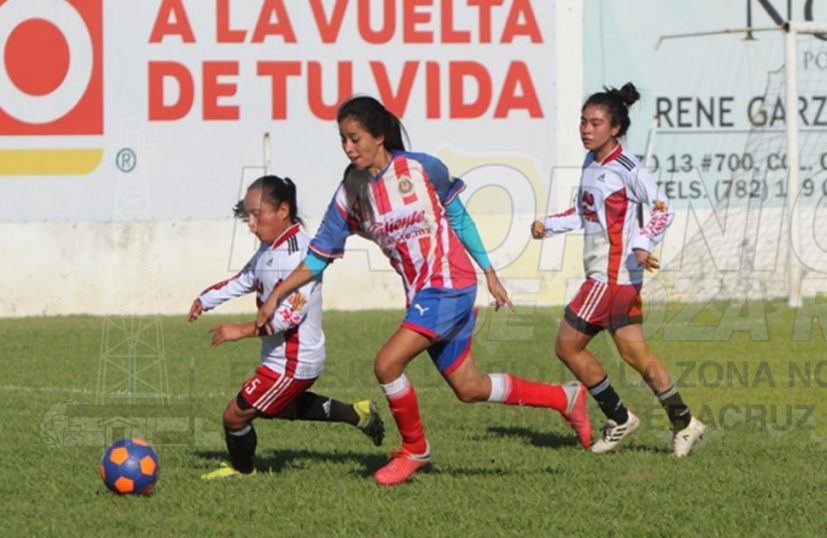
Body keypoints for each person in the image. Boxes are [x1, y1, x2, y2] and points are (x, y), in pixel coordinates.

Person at [256, 96, 592, 486]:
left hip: (450, 285)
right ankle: (565, 398)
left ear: (379, 135)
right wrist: (279, 292)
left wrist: (490, 271)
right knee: (469, 387)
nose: (348, 148)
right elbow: (317, 257)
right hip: (423, 296)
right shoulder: (350, 194)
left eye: (355, 138)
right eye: (343, 141)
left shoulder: (421, 167)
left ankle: (414, 448)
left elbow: (458, 215)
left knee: (387, 364)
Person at [532, 82, 705, 457]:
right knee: (637, 358)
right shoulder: (591, 161)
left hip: (611, 279)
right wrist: (549, 224)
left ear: (615, 128)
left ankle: (619, 415)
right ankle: (685, 422)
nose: (586, 128)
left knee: (567, 345)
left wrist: (643, 244)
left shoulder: (629, 168)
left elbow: (664, 207)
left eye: (595, 123)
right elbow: (583, 213)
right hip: (614, 280)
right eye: (583, 121)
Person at [189, 175, 385, 480]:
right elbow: (244, 278)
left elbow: (288, 317)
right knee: (279, 406)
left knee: (235, 416)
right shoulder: (271, 246)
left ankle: (244, 472)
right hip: (278, 358)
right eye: (248, 216)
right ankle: (356, 413)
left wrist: (239, 330)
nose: (251, 224)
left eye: (257, 214)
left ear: (282, 210)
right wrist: (207, 298)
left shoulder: (300, 254)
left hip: (294, 361)